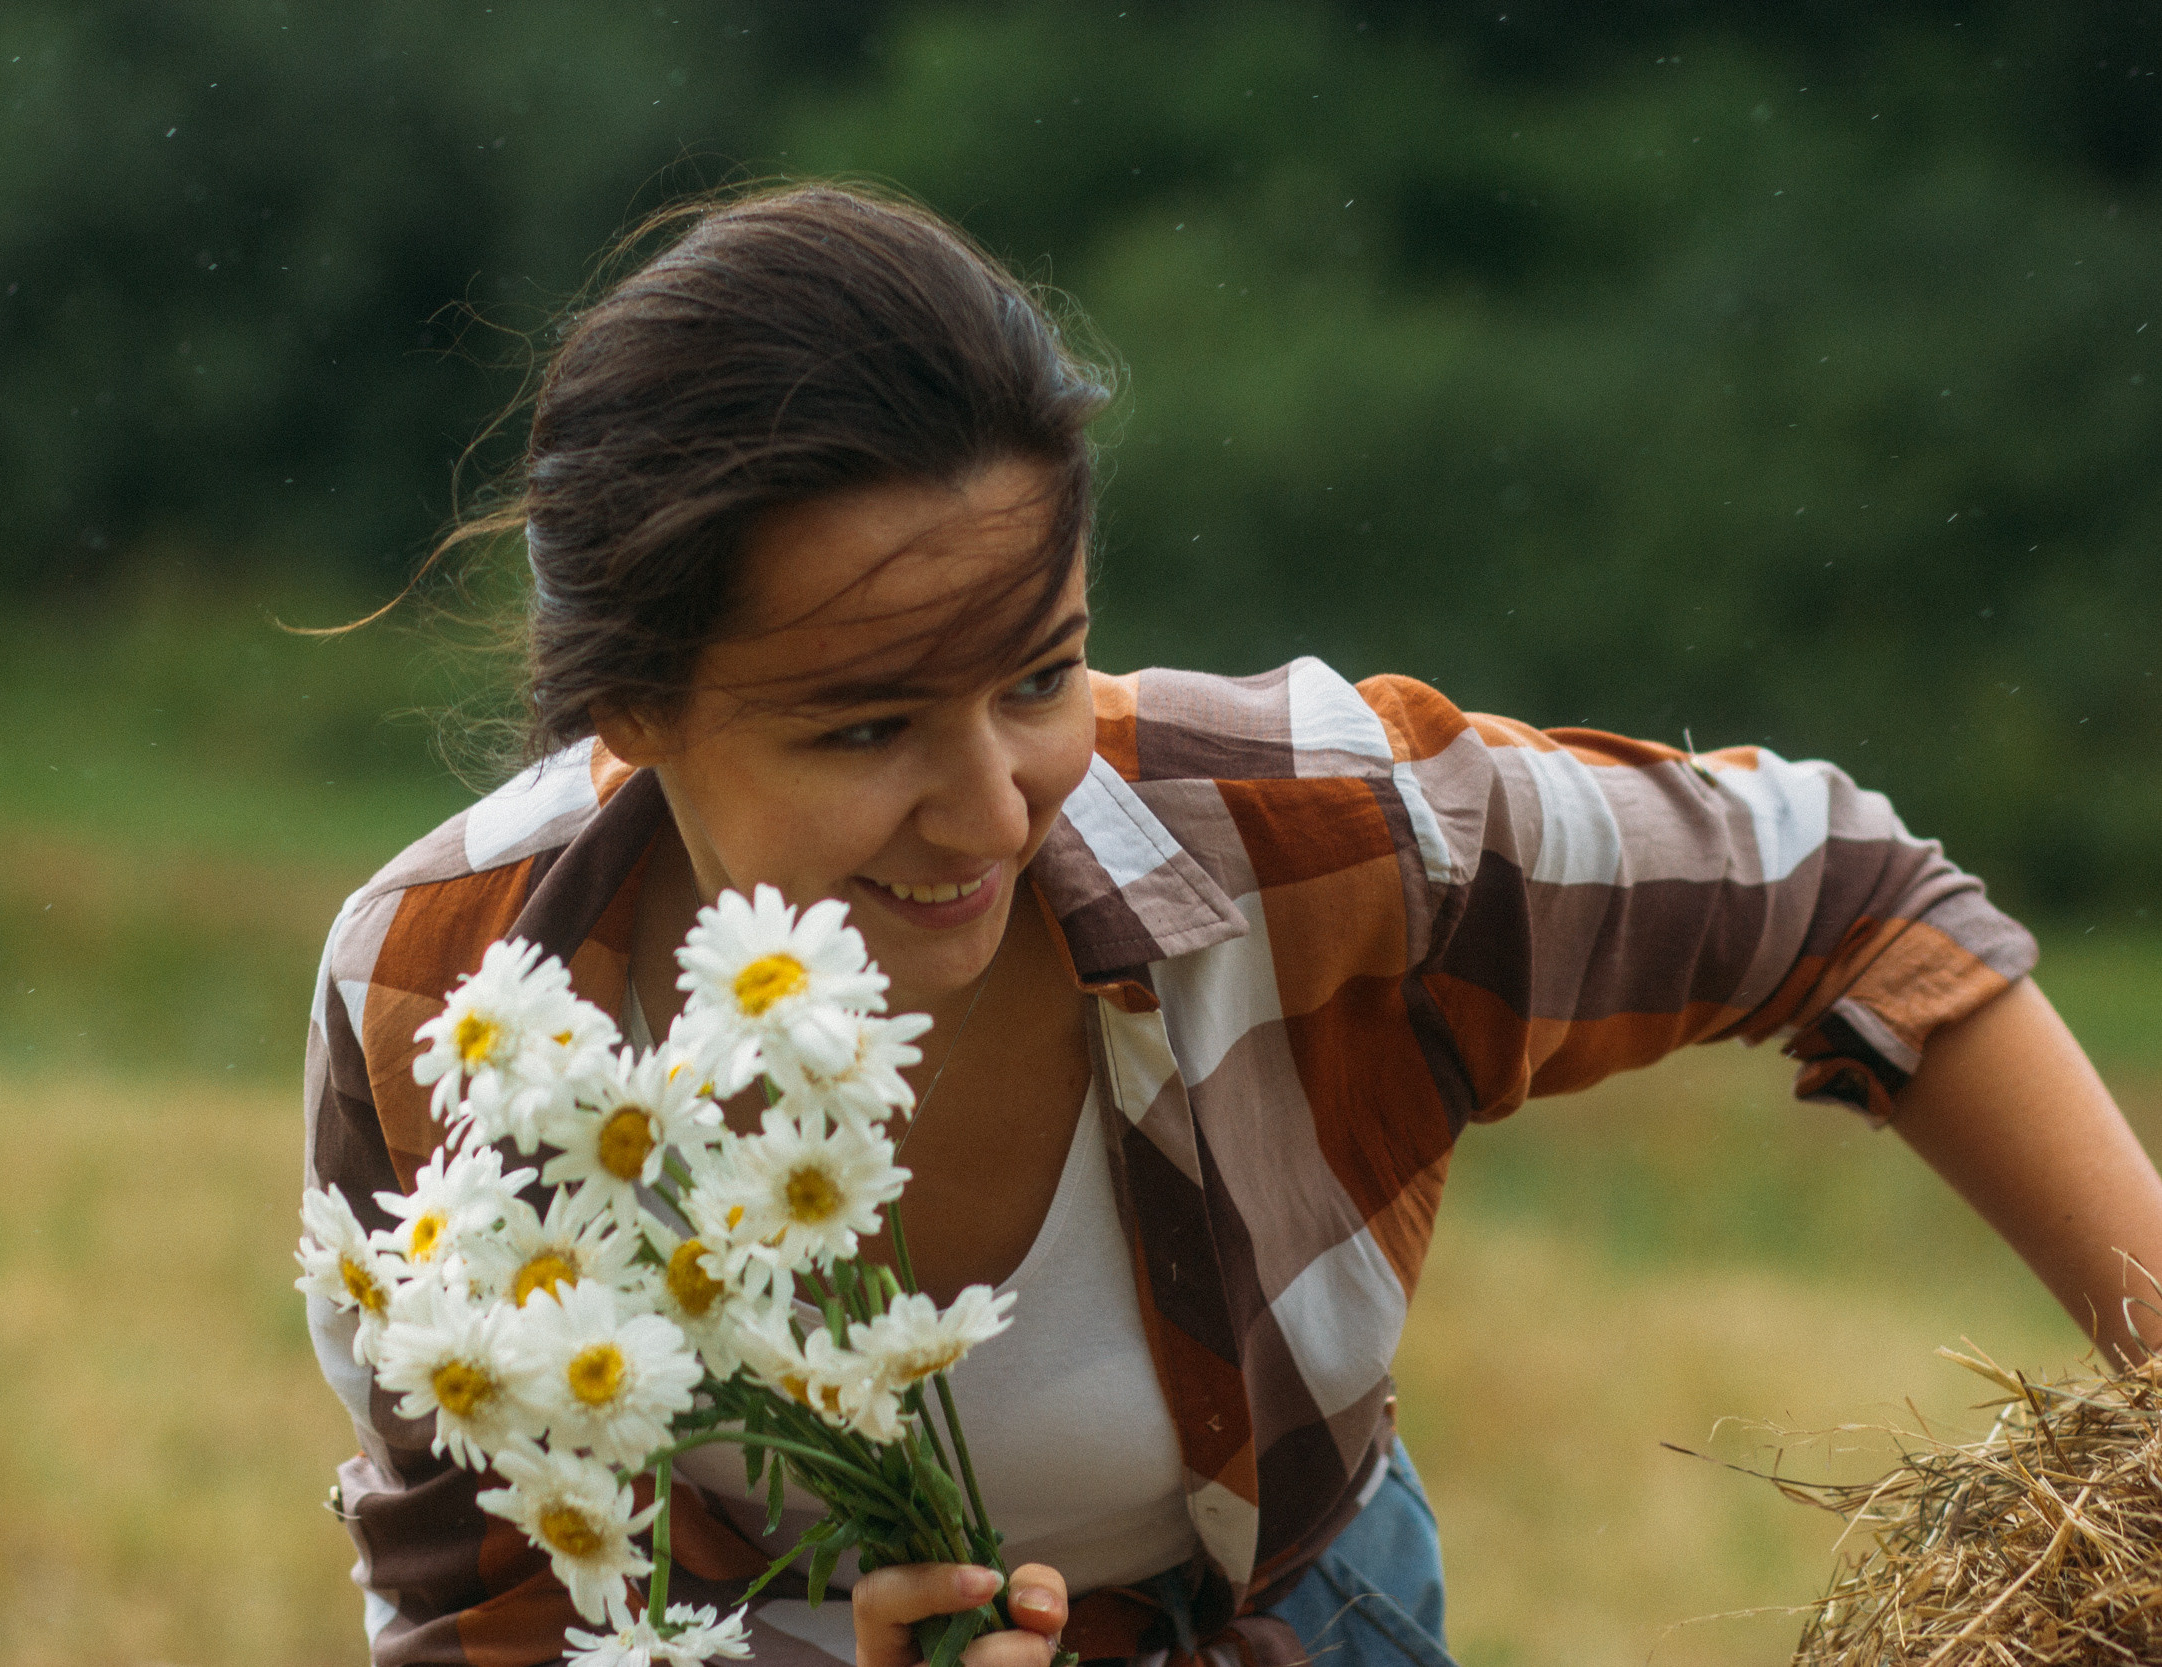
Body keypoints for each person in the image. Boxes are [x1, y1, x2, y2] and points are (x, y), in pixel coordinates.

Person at [301, 182, 2162, 1667]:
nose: (993, 809)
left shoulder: (1312, 841)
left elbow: (1846, 898)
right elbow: (480, 1596)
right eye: (865, 728)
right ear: (632, 710)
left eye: (1040, 673)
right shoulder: (437, 1003)